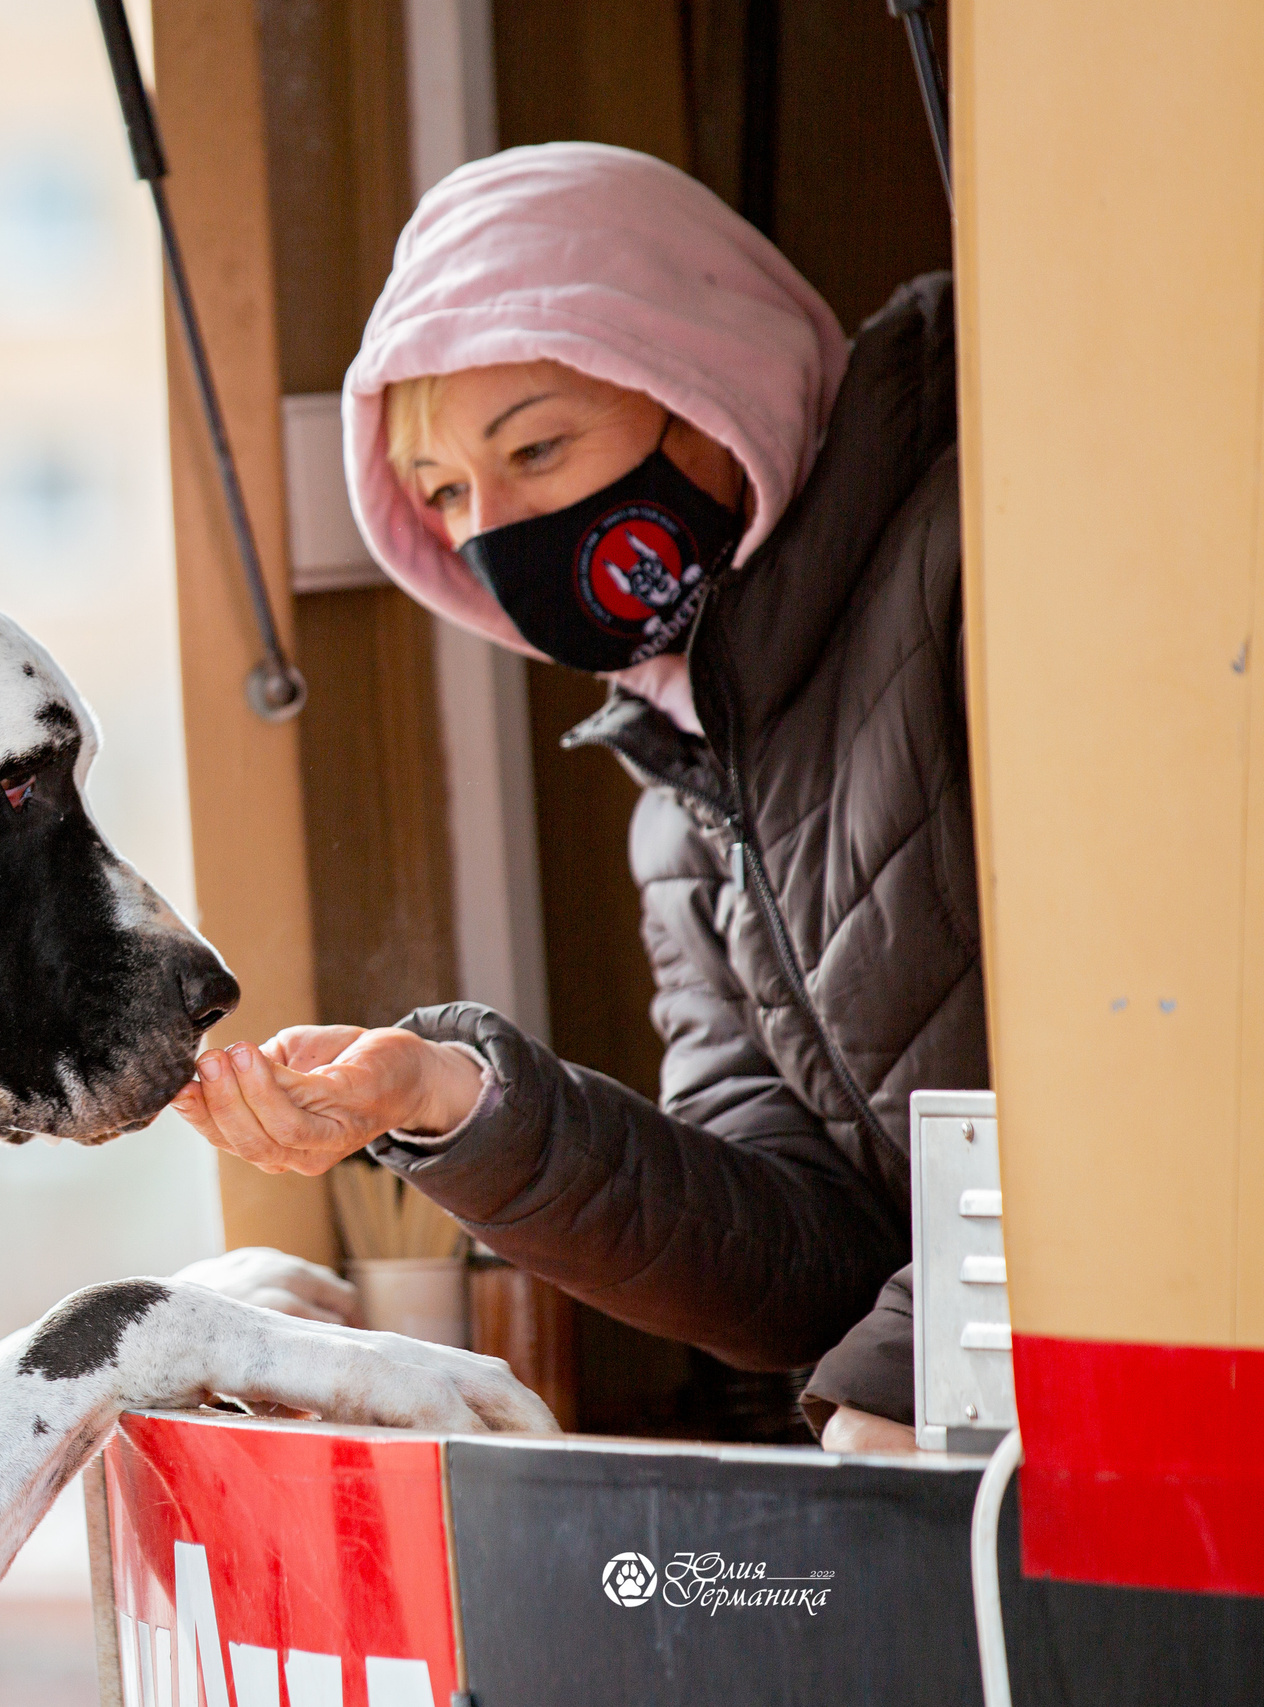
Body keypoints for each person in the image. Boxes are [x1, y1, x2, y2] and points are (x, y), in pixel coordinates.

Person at [170, 143, 981, 1453]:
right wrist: (450, 1101)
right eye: (445, 495)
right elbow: (800, 1262)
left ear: (708, 376)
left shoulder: (979, 558)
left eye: (538, 446)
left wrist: (906, 1381)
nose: (497, 531)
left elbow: (1144, 1048)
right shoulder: (686, 792)